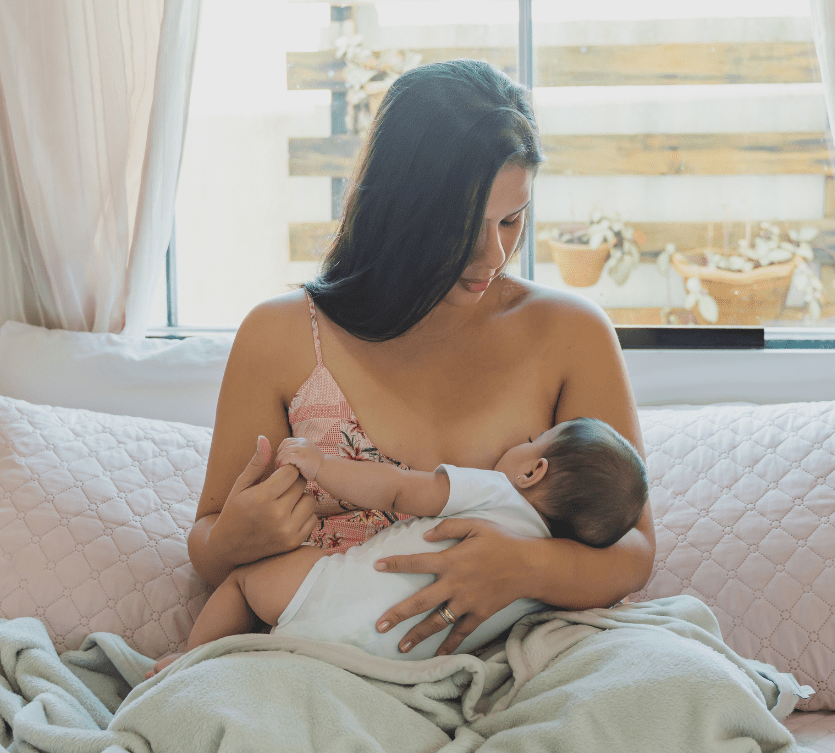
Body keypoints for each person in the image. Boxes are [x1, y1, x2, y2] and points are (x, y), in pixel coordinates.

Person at [185, 58, 656, 666]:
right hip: (318, 665)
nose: (494, 253)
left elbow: (634, 551)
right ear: (399, 212)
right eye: (463, 226)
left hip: (514, 666)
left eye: (512, 220)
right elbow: (206, 543)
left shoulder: (572, 334)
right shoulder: (279, 336)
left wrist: (524, 566)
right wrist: (233, 538)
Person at [149, 418, 648, 674]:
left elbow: (397, 488)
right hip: (387, 667)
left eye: (535, 439)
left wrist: (322, 466)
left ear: (533, 470)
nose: (523, 439)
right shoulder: (548, 588)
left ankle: (191, 662)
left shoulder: (494, 490)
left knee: (244, 581)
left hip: (327, 595)